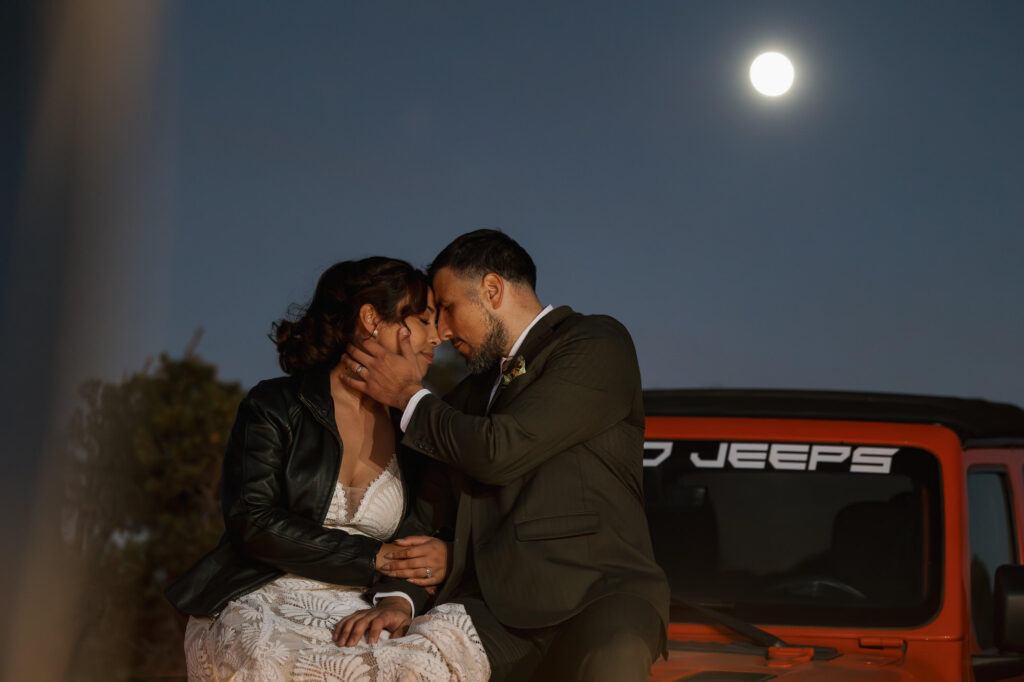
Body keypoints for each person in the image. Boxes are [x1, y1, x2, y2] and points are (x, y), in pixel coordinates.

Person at [340, 231, 670, 682]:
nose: (441, 331)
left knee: (614, 660)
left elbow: (501, 450)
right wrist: (399, 598)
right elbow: (429, 512)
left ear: (492, 290)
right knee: (401, 666)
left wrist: (405, 395)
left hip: (599, 595)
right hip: (494, 608)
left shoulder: (595, 343)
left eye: (449, 309)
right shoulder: (463, 398)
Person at [164, 257, 490, 682]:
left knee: (421, 664)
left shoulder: (416, 429)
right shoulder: (276, 405)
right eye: (423, 320)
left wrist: (437, 560)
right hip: (264, 591)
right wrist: (375, 557)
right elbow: (252, 519)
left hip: (367, 603)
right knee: (270, 657)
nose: (437, 337)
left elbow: (434, 529)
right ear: (372, 319)